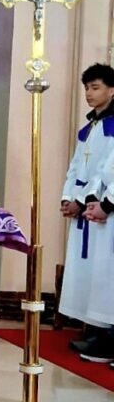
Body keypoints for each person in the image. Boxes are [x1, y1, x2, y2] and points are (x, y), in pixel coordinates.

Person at [61, 64, 114, 363]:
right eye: (87, 88)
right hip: (92, 206)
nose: (89, 93)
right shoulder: (91, 127)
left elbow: (107, 171)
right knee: (92, 272)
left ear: (112, 90)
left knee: (106, 273)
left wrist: (93, 201)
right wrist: (69, 198)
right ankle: (97, 333)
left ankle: (107, 337)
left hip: (104, 208)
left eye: (95, 87)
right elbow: (76, 167)